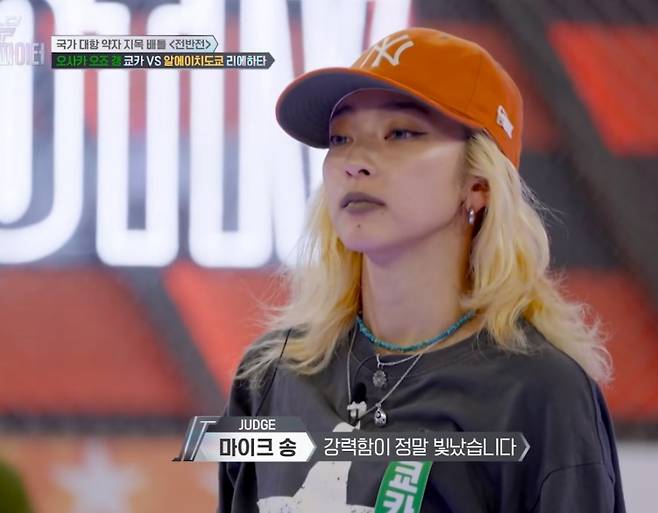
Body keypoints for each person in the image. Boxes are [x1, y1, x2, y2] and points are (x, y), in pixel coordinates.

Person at [217, 27, 626, 512]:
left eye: (401, 133)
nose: (355, 161)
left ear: (478, 183)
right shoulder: (272, 372)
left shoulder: (541, 393)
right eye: (341, 138)